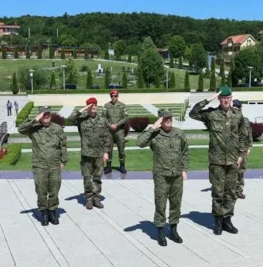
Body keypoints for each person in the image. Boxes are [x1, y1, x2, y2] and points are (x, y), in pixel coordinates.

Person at [189, 86, 247, 235]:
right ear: (220, 99)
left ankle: (227, 219)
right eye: (223, 98)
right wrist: (209, 99)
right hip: (216, 161)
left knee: (231, 192)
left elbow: (243, 136)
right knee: (218, 192)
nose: (226, 101)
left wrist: (241, 154)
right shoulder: (211, 114)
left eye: (228, 98)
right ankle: (218, 220)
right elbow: (193, 113)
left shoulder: (237, 116)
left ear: (231, 98)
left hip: (233, 160)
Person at [138, 109, 189, 246]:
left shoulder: (179, 133)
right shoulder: (154, 134)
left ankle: (173, 230)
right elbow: (140, 143)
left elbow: (185, 151)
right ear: (160, 119)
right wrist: (153, 127)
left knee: (176, 203)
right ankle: (160, 232)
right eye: (165, 118)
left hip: (177, 175)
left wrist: (184, 169)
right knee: (160, 204)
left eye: (170, 117)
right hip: (161, 175)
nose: (168, 120)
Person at [18, 106, 68, 226]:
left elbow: (63, 145)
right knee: (41, 190)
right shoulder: (34, 129)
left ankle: (52, 211)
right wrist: (35, 120)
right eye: (43, 114)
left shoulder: (57, 128)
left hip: (55, 164)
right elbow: (20, 129)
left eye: (48, 113)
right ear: (40, 115)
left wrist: (63, 161)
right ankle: (44, 212)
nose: (46, 115)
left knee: (54, 189)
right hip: (39, 165)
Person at [67, 97, 111, 210]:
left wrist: (106, 152)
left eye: (95, 105)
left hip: (99, 154)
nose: (94, 107)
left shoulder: (103, 120)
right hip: (86, 154)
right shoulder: (81, 120)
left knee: (97, 177)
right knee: (87, 178)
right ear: (87, 107)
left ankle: (96, 198)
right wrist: (84, 109)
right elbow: (70, 118)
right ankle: (88, 199)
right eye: (91, 105)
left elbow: (107, 137)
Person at [104, 89, 129, 174]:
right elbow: (103, 117)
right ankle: (108, 166)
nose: (113, 97)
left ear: (118, 96)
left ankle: (122, 166)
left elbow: (125, 118)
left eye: (115, 96)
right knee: (108, 149)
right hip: (109, 131)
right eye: (112, 96)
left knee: (121, 149)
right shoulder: (106, 105)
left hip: (119, 131)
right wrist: (110, 125)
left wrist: (117, 125)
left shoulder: (123, 106)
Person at [233, 99, 253, 199]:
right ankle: (231, 191)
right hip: (232, 150)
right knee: (231, 171)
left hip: (243, 149)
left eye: (237, 107)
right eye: (234, 107)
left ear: (241, 108)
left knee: (241, 171)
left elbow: (249, 134)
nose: (236, 109)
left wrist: (249, 147)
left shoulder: (245, 121)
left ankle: (239, 190)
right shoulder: (229, 120)